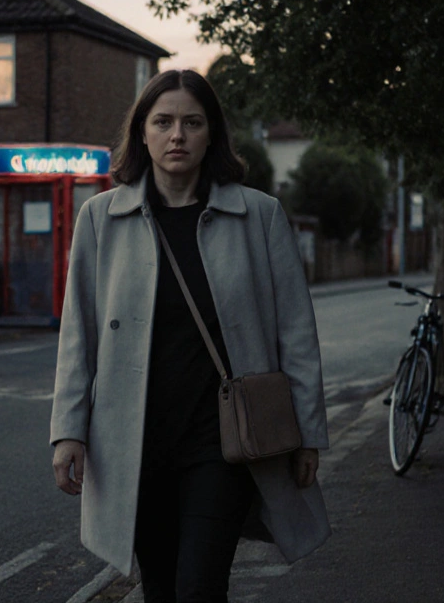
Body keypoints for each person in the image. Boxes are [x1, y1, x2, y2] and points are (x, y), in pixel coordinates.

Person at [50, 69, 330, 602]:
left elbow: (297, 334)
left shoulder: (259, 217)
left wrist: (309, 433)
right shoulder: (99, 220)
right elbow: (77, 335)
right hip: (135, 443)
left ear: (212, 134)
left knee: (199, 588)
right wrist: (68, 429)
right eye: (163, 122)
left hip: (222, 445)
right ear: (142, 134)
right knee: (159, 588)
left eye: (192, 122)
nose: (177, 135)